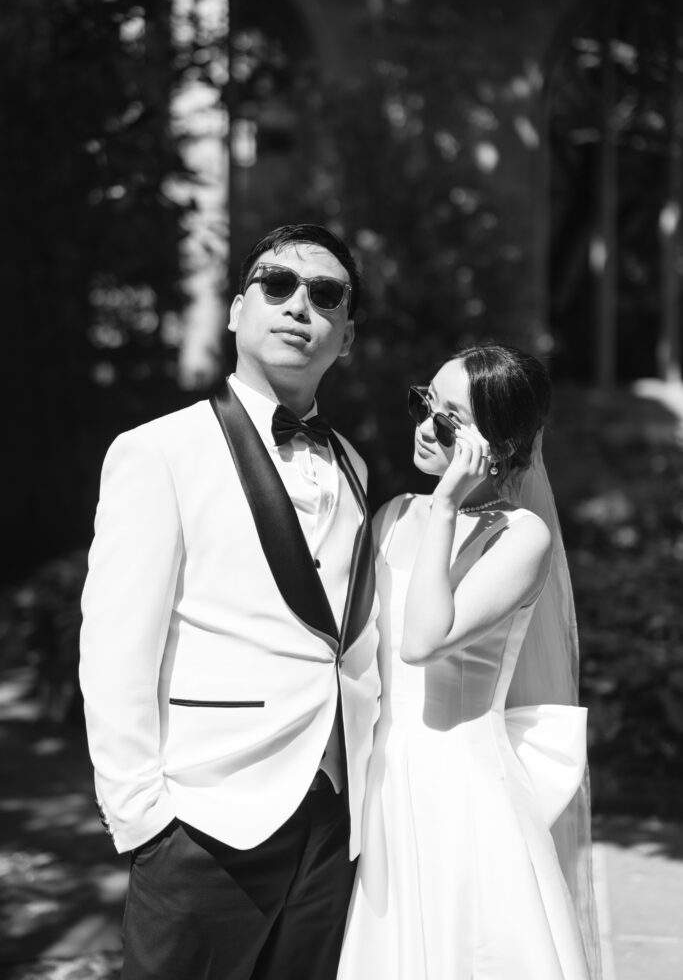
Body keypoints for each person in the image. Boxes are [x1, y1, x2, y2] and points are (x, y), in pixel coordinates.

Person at [79, 223, 381, 980]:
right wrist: (144, 821)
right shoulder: (158, 452)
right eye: (274, 285)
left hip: (331, 818)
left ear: (345, 335)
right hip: (204, 819)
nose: (297, 305)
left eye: (325, 294)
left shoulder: (353, 464)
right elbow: (115, 649)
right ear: (237, 311)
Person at [338, 343, 602, 980]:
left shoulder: (520, 536)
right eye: (424, 403)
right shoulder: (393, 516)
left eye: (451, 420)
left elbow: (424, 641)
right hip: (385, 778)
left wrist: (450, 504)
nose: (426, 426)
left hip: (464, 786)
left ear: (502, 444)